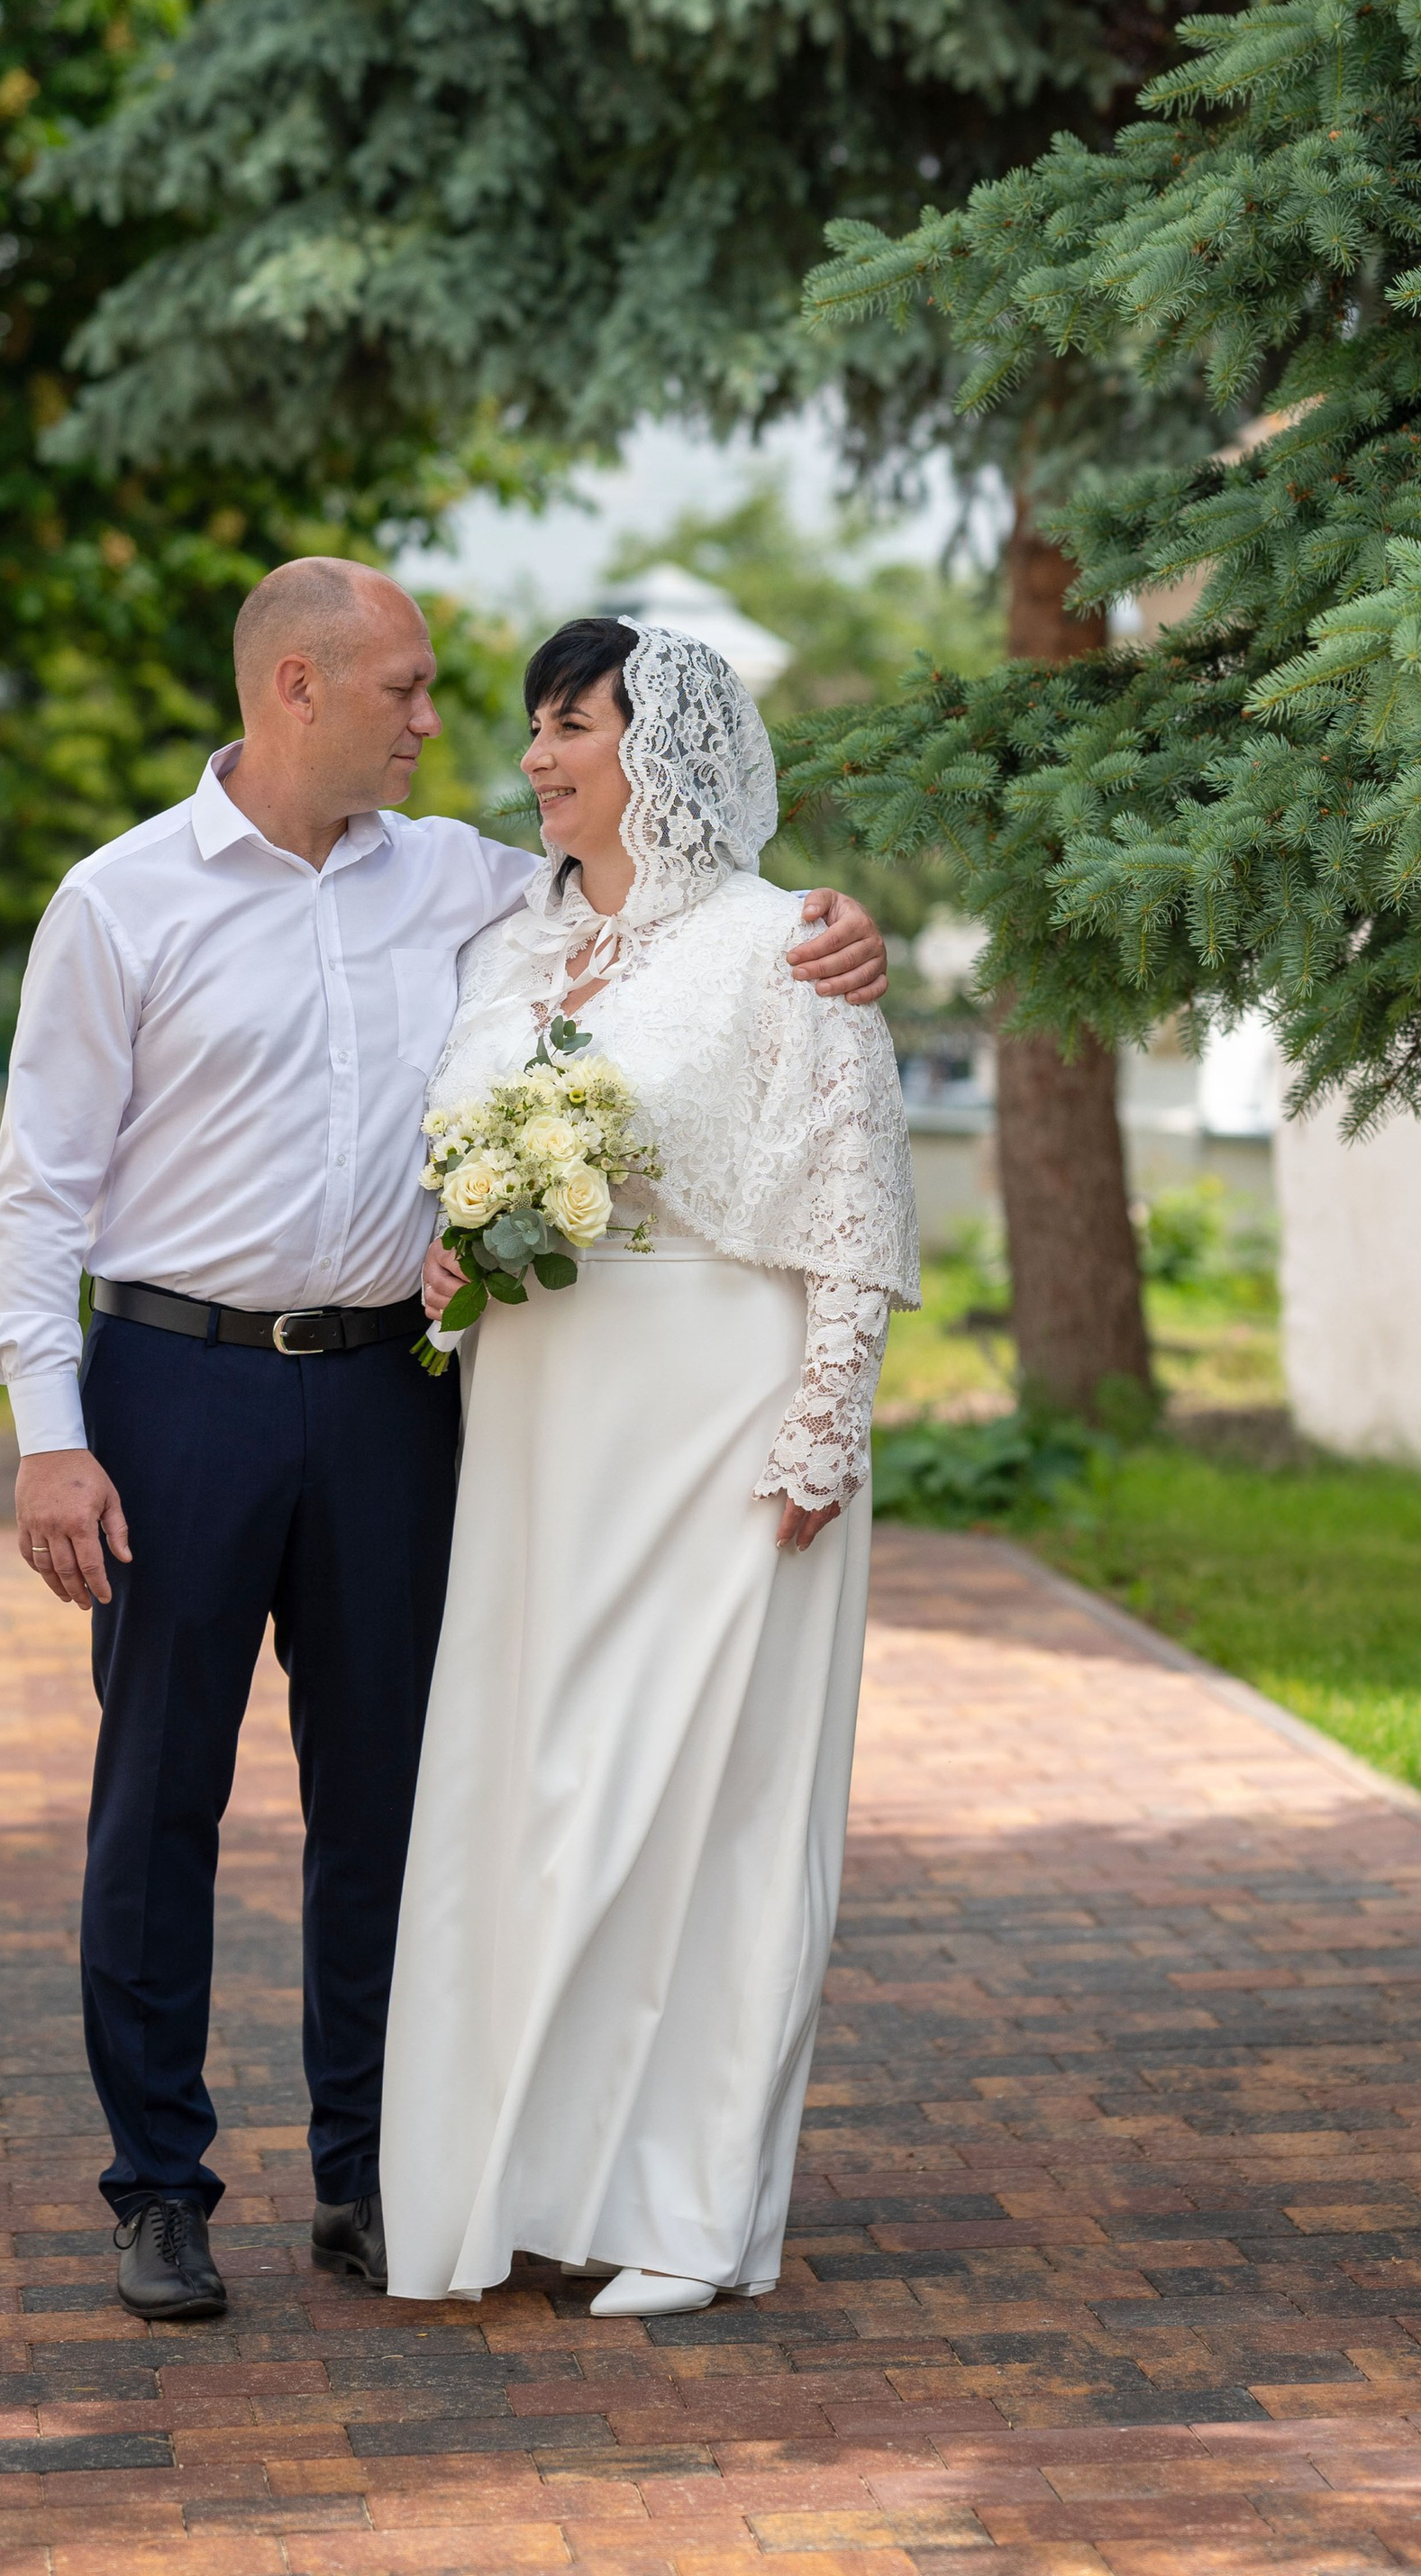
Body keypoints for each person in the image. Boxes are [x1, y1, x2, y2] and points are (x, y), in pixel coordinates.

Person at [0, 559, 889, 2326]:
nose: (432, 722)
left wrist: (846, 930)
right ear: (295, 687)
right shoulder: (118, 900)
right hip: (175, 1385)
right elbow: (39, 1191)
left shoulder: (469, 882)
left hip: (396, 1390)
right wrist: (46, 1433)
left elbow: (673, 900)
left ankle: (370, 2176)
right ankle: (158, 2186)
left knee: (393, 1796)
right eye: (402, 689)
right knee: (158, 1795)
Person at [381, 617, 920, 2314]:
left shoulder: (787, 944)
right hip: (540, 1419)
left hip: (720, 1408)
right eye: (534, 728)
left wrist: (824, 1421)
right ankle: (527, 2184)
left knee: (708, 1800)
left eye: (571, 726)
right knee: (536, 1793)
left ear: (659, 748)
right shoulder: (510, 943)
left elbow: (853, 1199)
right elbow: (462, 1158)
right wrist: (453, 1249)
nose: (536, 758)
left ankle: (688, 2213)